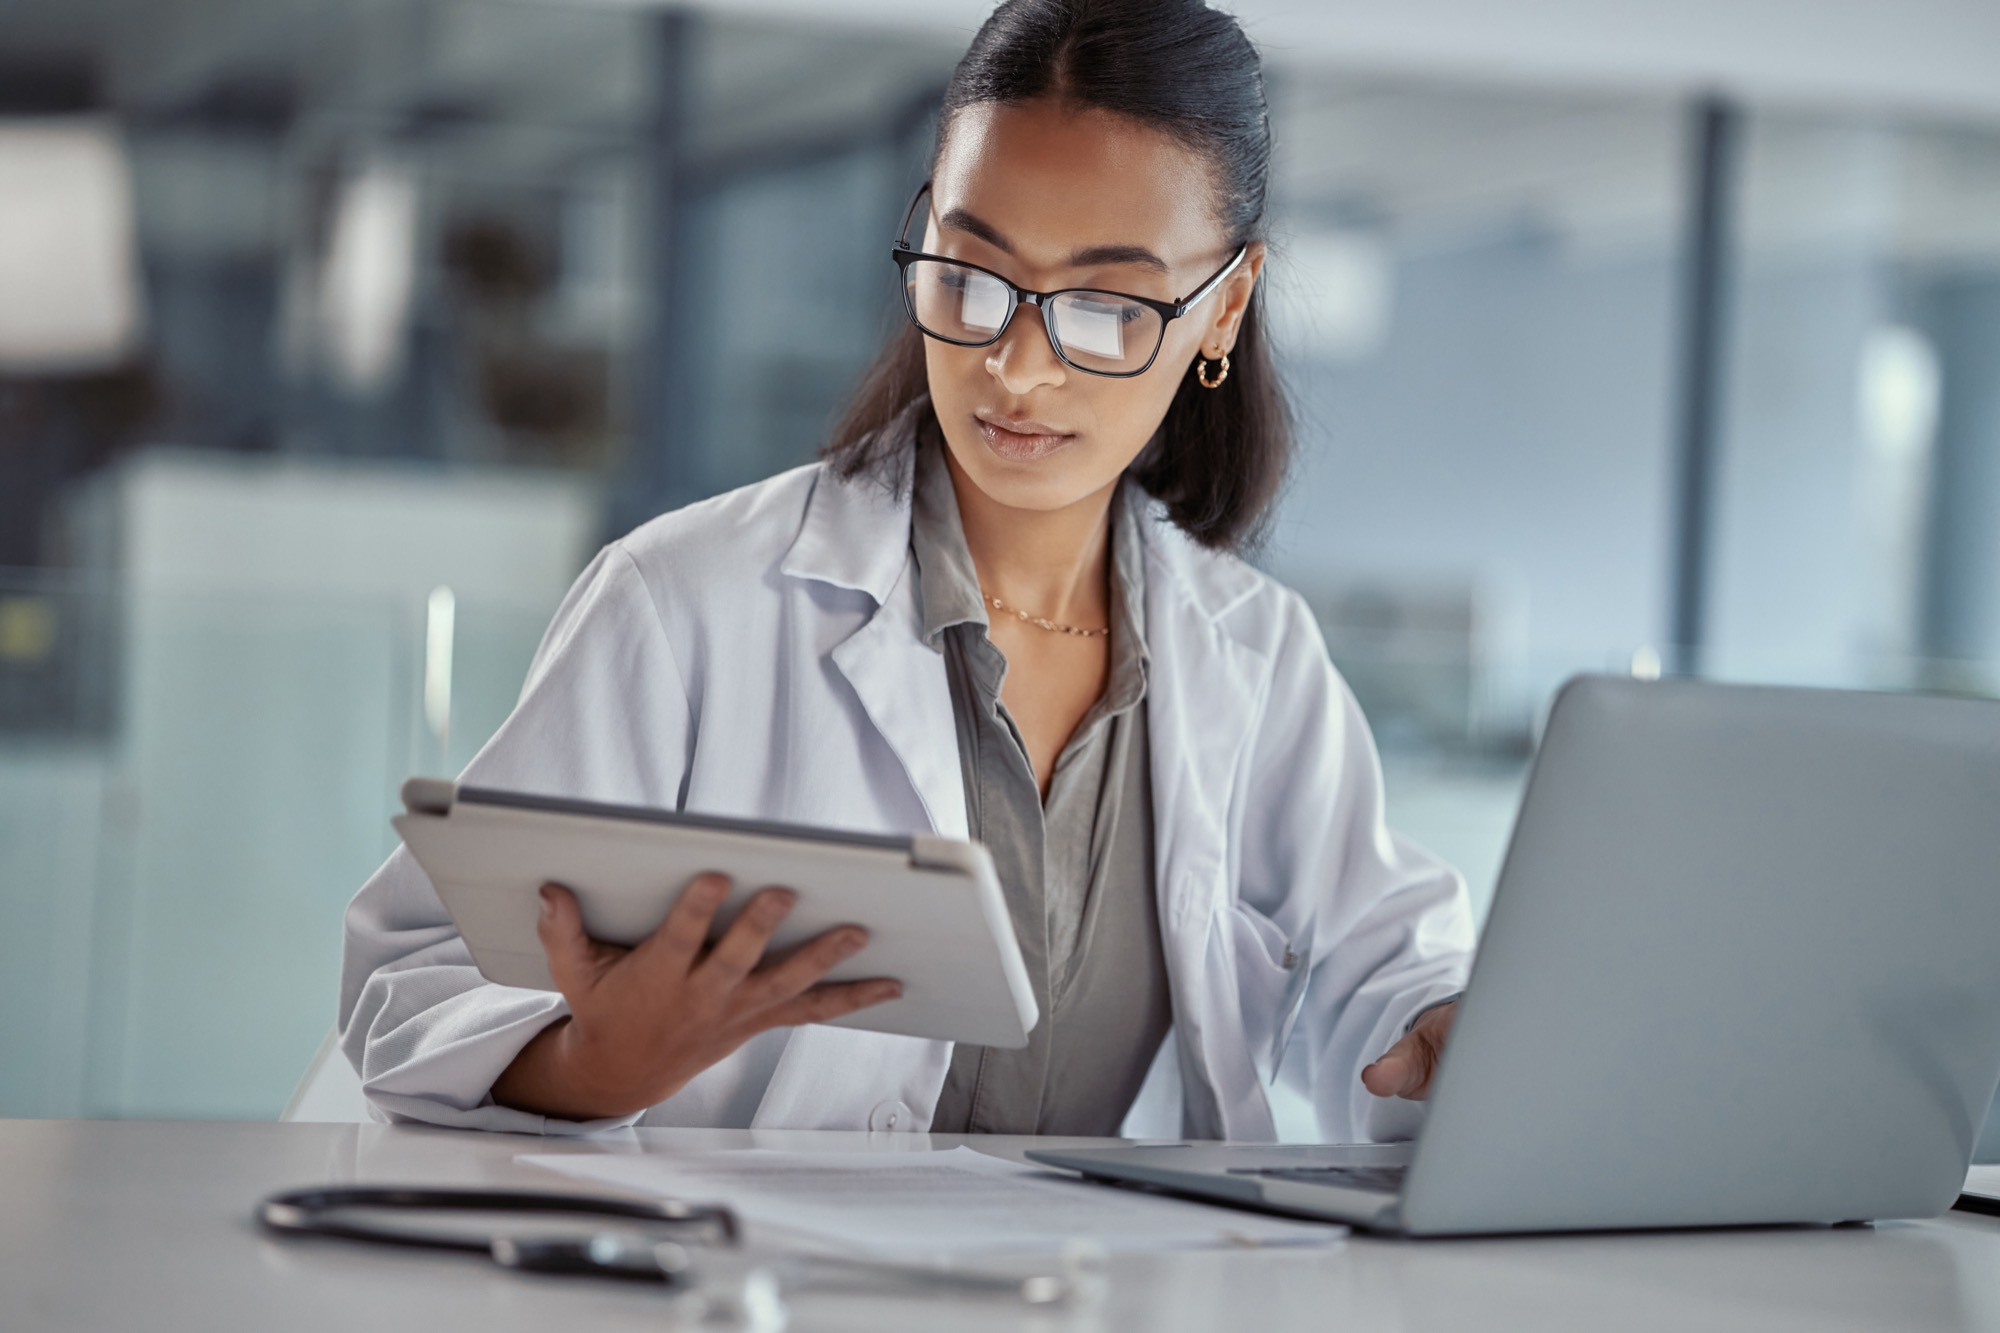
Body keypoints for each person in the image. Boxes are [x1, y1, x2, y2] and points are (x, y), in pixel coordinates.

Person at [340, 0, 1471, 1143]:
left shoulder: (1255, 656)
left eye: (1104, 305)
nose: (1017, 366)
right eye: (972, 273)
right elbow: (415, 981)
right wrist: (593, 1062)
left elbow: (1379, 968)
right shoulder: (684, 604)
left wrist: (1441, 1022)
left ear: (1221, 305)